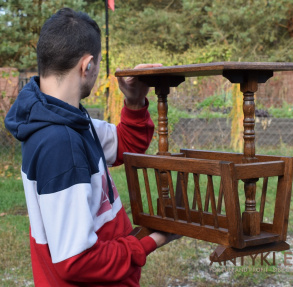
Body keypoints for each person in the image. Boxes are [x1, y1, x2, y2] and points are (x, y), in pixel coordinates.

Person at [5, 7, 178, 287]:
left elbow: (124, 145)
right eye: (97, 64)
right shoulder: (61, 143)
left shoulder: (66, 120)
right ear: (87, 65)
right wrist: (151, 241)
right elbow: (77, 261)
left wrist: (134, 101)